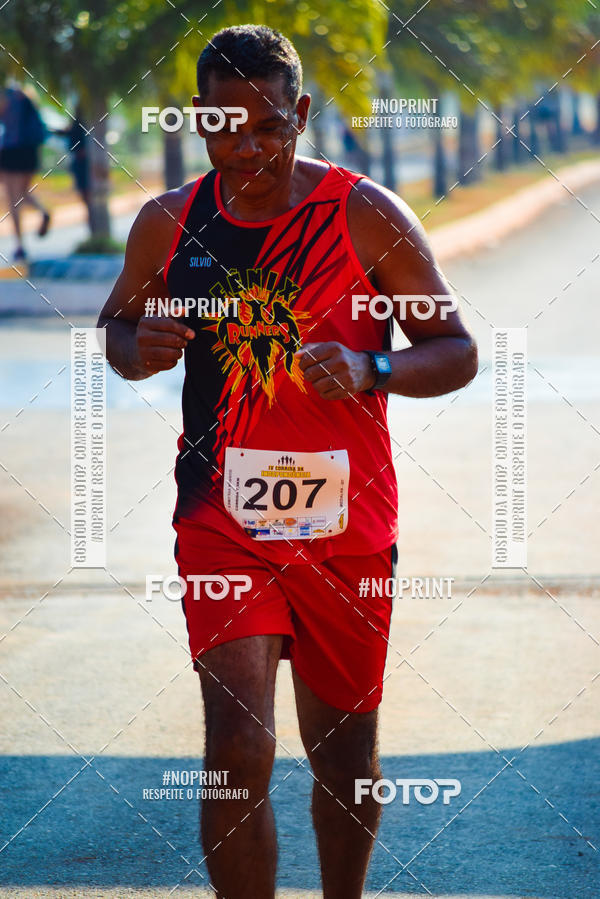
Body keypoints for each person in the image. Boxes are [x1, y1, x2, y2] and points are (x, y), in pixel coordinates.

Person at [98, 24, 477, 899]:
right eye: (226, 127)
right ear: (197, 121)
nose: (249, 147)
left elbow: (454, 349)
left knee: (343, 753)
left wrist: (372, 366)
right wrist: (136, 344)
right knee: (236, 746)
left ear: (300, 115)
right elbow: (116, 327)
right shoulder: (170, 224)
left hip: (348, 525)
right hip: (221, 524)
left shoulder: (365, 215)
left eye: (269, 126)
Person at [0, 86, 51, 260]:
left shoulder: (6, 95)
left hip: (11, 151)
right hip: (30, 152)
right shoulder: (28, 94)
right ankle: (42, 210)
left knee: (13, 199)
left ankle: (20, 245)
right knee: (22, 192)